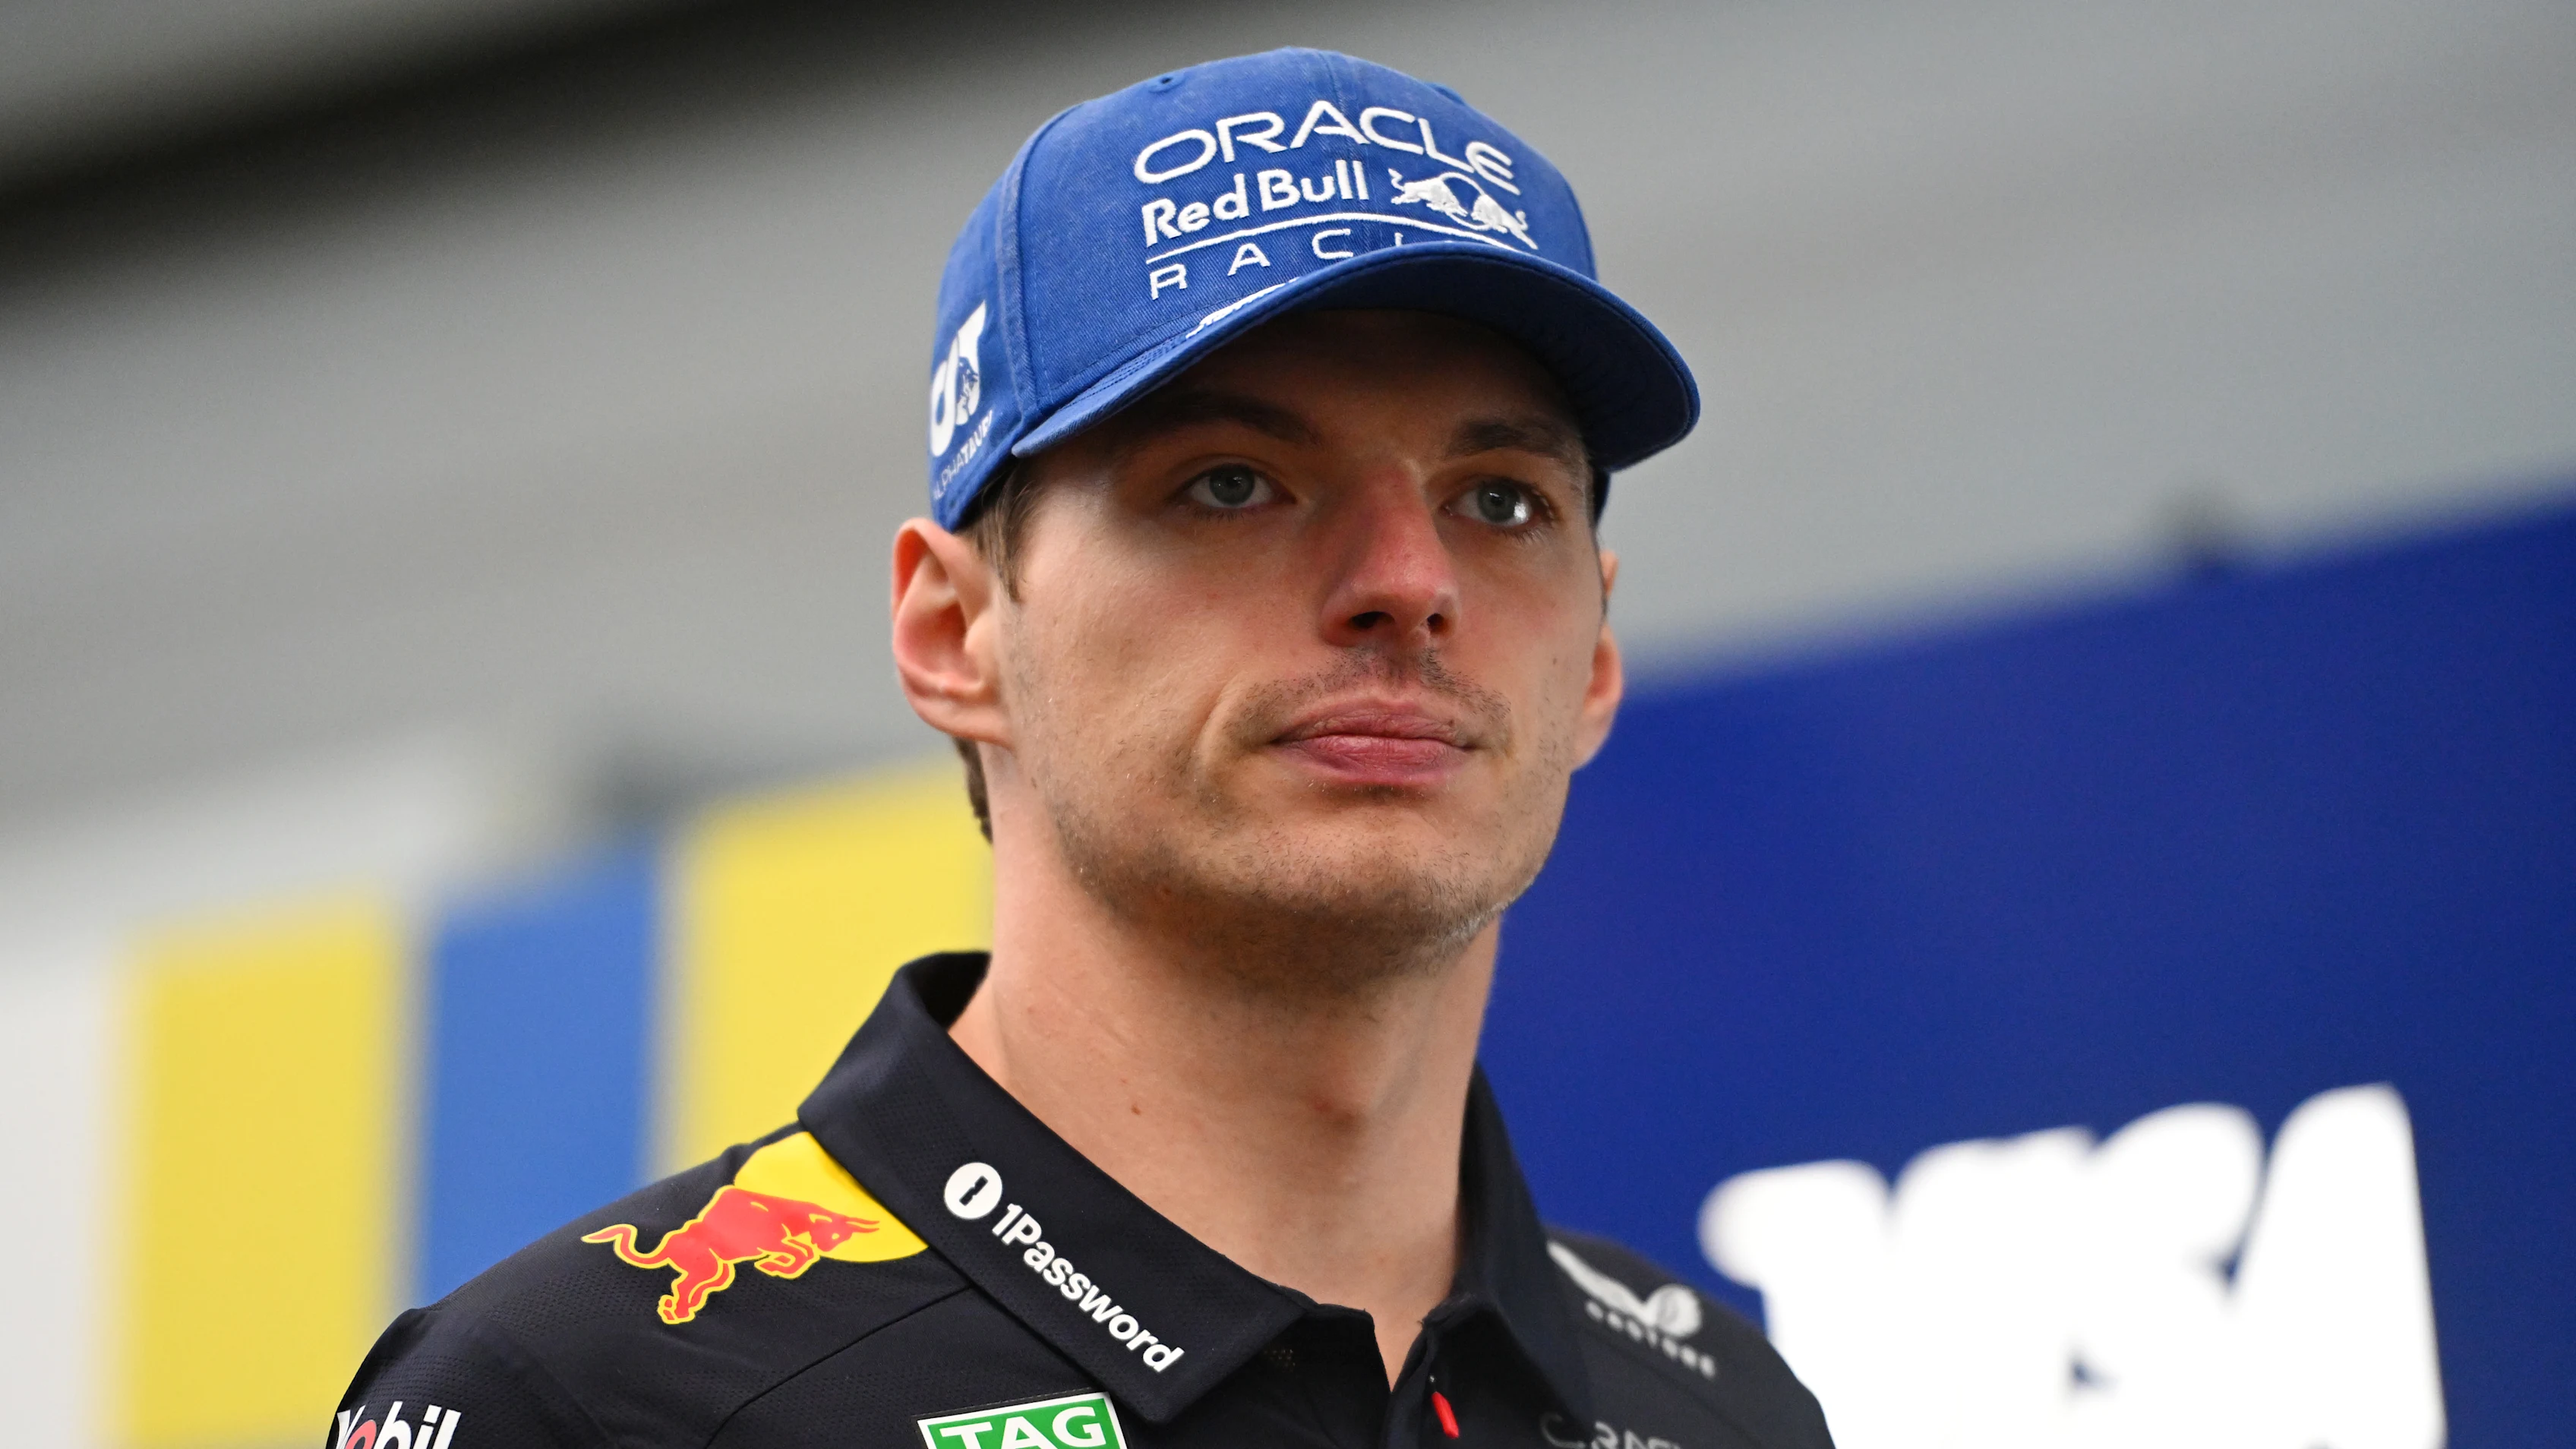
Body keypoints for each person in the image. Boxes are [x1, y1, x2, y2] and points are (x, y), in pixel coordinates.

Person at [330, 48, 1833, 1449]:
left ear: (1595, 661)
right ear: (952, 630)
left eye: (1499, 499)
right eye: (1231, 482)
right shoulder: (590, 1398)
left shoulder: (1720, 1406)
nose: (1408, 579)